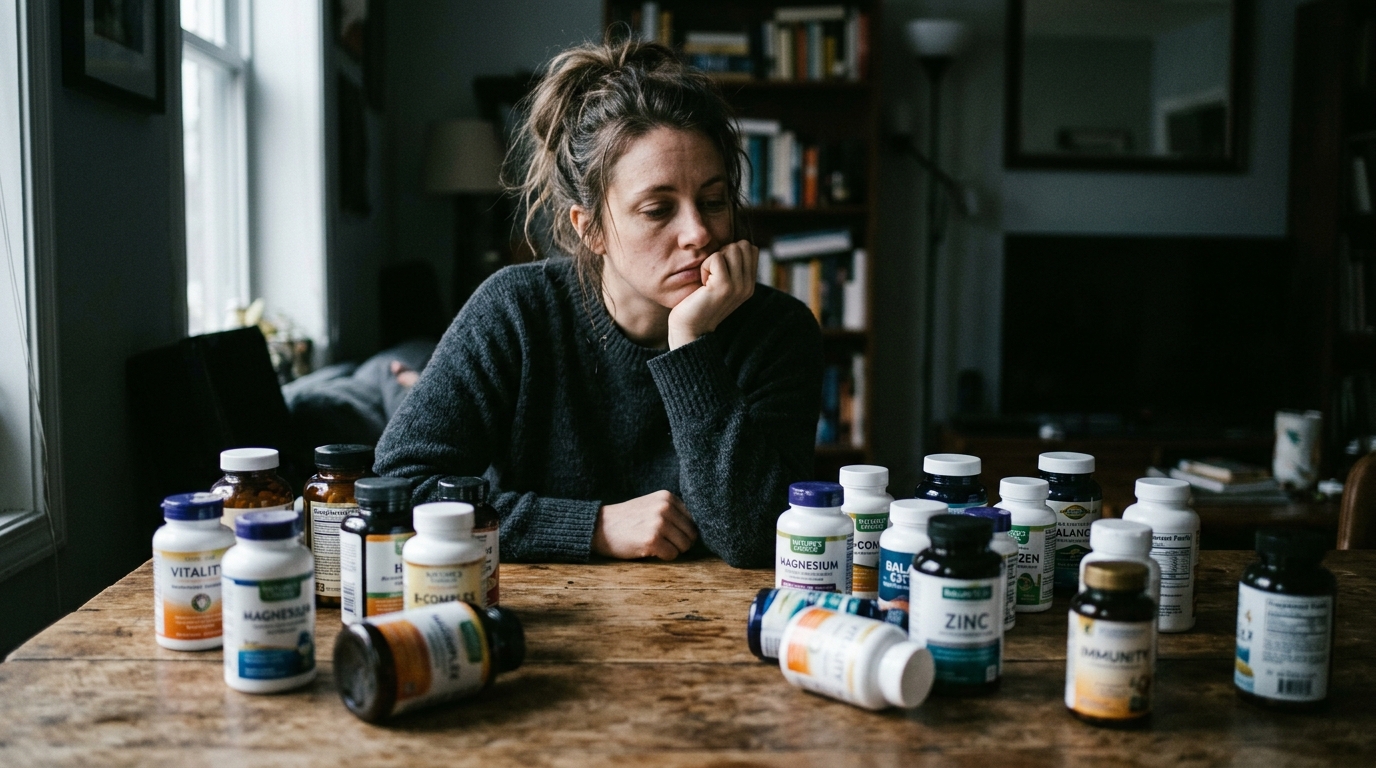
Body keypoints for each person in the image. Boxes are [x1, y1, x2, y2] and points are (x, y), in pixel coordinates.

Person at [373, 38, 823, 568]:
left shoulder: (778, 331)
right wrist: (592, 526)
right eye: (658, 209)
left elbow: (754, 536)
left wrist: (690, 346)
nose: (698, 232)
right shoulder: (515, 311)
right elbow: (400, 492)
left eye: (713, 201)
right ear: (591, 230)